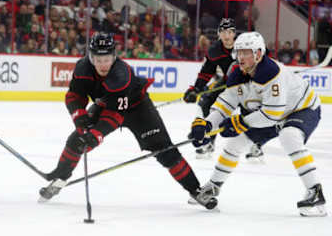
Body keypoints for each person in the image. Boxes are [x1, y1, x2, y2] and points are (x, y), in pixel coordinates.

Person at [38, 32, 217, 210]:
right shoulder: (82, 68)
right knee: (77, 140)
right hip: (106, 105)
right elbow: (74, 95)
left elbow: (116, 115)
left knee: (165, 151)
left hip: (138, 109)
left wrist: (96, 134)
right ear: (90, 57)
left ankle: (196, 190)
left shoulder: (120, 75)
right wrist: (80, 119)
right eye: (97, 59)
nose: (102, 64)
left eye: (106, 59)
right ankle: (60, 177)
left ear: (114, 56)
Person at [189, 32, 326, 217]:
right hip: (270, 112)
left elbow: (272, 114)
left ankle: (315, 192)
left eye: (246, 52)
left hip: (302, 108)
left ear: (259, 54)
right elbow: (224, 104)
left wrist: (240, 122)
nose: (241, 57)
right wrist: (206, 125)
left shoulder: (271, 73)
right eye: (239, 52)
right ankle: (212, 187)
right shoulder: (237, 74)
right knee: (235, 142)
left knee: (289, 136)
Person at [183, 18, 263, 161]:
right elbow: (206, 72)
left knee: (250, 112)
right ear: (219, 34)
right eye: (223, 32)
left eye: (230, 32)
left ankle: (256, 144)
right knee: (207, 104)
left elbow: (261, 61)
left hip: (250, 84)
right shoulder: (215, 50)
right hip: (228, 83)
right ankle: (209, 141)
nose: (227, 36)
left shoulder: (245, 43)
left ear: (234, 34)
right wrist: (196, 88)